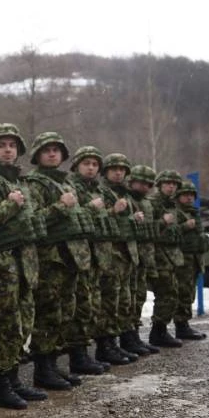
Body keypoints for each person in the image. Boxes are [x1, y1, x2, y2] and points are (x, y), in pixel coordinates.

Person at [0, 123, 50, 408]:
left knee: (21, 325)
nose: (8, 150)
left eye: (12, 145)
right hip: (0, 267)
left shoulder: (21, 183)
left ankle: (15, 381)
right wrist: (10, 205)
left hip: (24, 266)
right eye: (2, 145)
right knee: (3, 328)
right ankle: (2, 387)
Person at [23, 132, 92, 391]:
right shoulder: (34, 184)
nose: (52, 154)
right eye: (46, 150)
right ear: (38, 155)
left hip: (69, 258)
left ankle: (52, 365)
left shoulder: (65, 184)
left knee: (64, 313)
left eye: (56, 150)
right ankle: (43, 369)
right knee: (48, 315)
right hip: (49, 260)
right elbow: (34, 221)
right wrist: (61, 207)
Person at [65, 145, 114, 376]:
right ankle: (78, 356)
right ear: (76, 165)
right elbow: (72, 217)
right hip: (80, 254)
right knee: (82, 304)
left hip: (97, 255)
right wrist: (90, 208)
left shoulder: (98, 190)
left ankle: (87, 352)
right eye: (87, 163)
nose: (92, 168)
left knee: (93, 303)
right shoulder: (72, 187)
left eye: (95, 164)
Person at [98, 153, 149, 362]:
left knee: (124, 300)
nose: (118, 172)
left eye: (122, 169)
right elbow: (98, 222)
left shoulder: (126, 195)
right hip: (111, 254)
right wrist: (113, 211)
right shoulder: (103, 192)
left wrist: (135, 219)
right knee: (110, 300)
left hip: (127, 253)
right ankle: (106, 345)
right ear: (106, 171)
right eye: (114, 169)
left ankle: (123, 340)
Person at [126, 165, 163, 354]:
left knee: (139, 296)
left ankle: (135, 336)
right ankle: (128, 338)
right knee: (129, 298)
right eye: (141, 182)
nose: (144, 187)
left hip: (144, 256)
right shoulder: (126, 198)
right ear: (132, 181)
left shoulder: (147, 203)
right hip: (130, 255)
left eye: (148, 184)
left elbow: (152, 231)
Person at [148, 170, 186, 347]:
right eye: (167, 183)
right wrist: (162, 222)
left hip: (171, 257)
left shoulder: (172, 205)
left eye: (174, 184)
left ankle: (161, 329)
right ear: (160, 184)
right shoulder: (153, 203)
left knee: (172, 293)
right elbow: (147, 229)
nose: (171, 186)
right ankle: (158, 332)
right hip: (158, 256)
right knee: (166, 293)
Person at [173, 180, 208, 340]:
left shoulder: (194, 212)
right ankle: (181, 325)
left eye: (191, 195)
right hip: (182, 259)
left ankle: (184, 324)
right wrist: (185, 226)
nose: (189, 198)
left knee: (189, 292)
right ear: (178, 196)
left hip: (194, 258)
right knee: (183, 292)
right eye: (185, 195)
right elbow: (169, 233)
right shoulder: (175, 212)